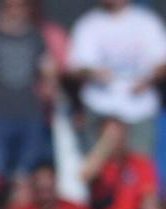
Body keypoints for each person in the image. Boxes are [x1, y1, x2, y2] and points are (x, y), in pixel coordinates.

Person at [0, 0, 59, 179]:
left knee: (26, 172)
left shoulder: (34, 35)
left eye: (20, 6)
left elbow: (47, 66)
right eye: (11, 6)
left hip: (29, 113)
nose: (16, 11)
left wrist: (49, 87)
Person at [66, 0, 166, 157]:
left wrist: (148, 80)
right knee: (100, 171)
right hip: (100, 107)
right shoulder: (88, 24)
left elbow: (162, 63)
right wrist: (93, 72)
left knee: (140, 168)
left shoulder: (147, 22)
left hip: (138, 110)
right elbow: (75, 66)